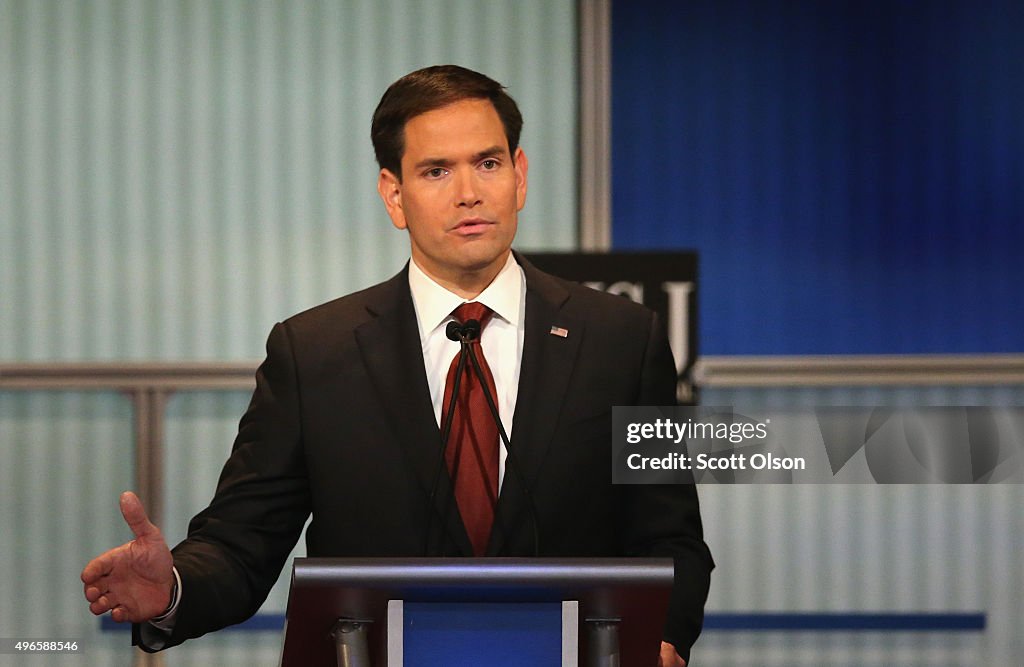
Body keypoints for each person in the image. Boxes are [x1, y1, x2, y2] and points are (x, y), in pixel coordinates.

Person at [82, 65, 713, 666]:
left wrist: (663, 637)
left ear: (519, 175)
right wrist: (171, 590)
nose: (469, 193)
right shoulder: (313, 353)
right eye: (436, 171)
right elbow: (241, 543)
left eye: (488, 163)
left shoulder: (622, 340)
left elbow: (671, 536)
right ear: (394, 194)